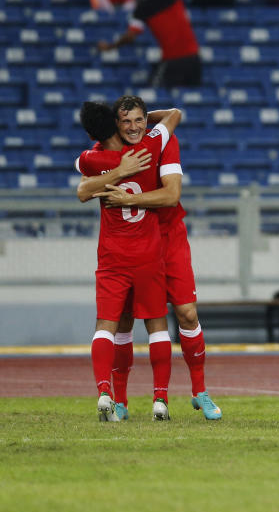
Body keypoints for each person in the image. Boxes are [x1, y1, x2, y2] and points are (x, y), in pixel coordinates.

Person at [78, 98, 222, 421]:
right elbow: (175, 114)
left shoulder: (162, 141)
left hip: (168, 236)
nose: (133, 127)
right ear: (116, 124)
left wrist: (128, 196)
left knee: (186, 313)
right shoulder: (148, 141)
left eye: (139, 121)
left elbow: (171, 196)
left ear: (146, 120)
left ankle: (200, 391)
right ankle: (125, 400)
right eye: (125, 121)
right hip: (141, 242)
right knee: (130, 320)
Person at [97, 0, 202, 88]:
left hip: (173, 60)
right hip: (194, 58)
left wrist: (110, 47)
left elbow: (130, 36)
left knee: (156, 97)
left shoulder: (143, 7)